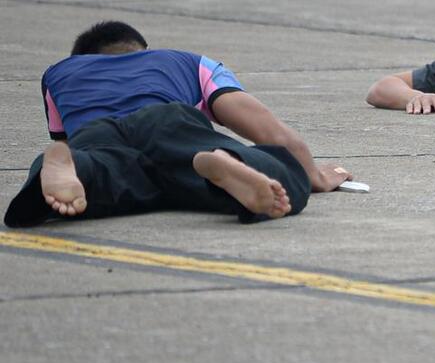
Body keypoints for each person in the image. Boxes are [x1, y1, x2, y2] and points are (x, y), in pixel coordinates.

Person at [6, 20, 353, 228]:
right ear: (142, 50)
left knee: (99, 173)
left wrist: (68, 153)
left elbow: (65, 135)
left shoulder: (59, 74)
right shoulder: (186, 63)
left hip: (95, 133)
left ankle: (60, 167)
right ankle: (226, 163)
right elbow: (269, 131)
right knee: (279, 168)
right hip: (168, 122)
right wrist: (314, 175)